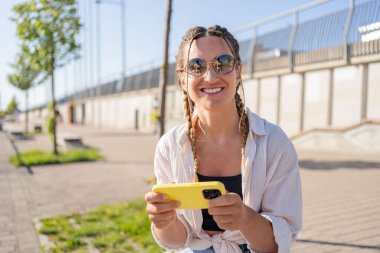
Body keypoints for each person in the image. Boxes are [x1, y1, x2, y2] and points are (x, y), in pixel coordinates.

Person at [145, 25, 302, 253]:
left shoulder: (274, 143)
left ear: (238, 72)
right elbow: (176, 241)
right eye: (196, 66)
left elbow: (276, 246)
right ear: (182, 79)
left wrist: (245, 219)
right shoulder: (169, 146)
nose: (210, 76)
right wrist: (165, 222)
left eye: (223, 63)